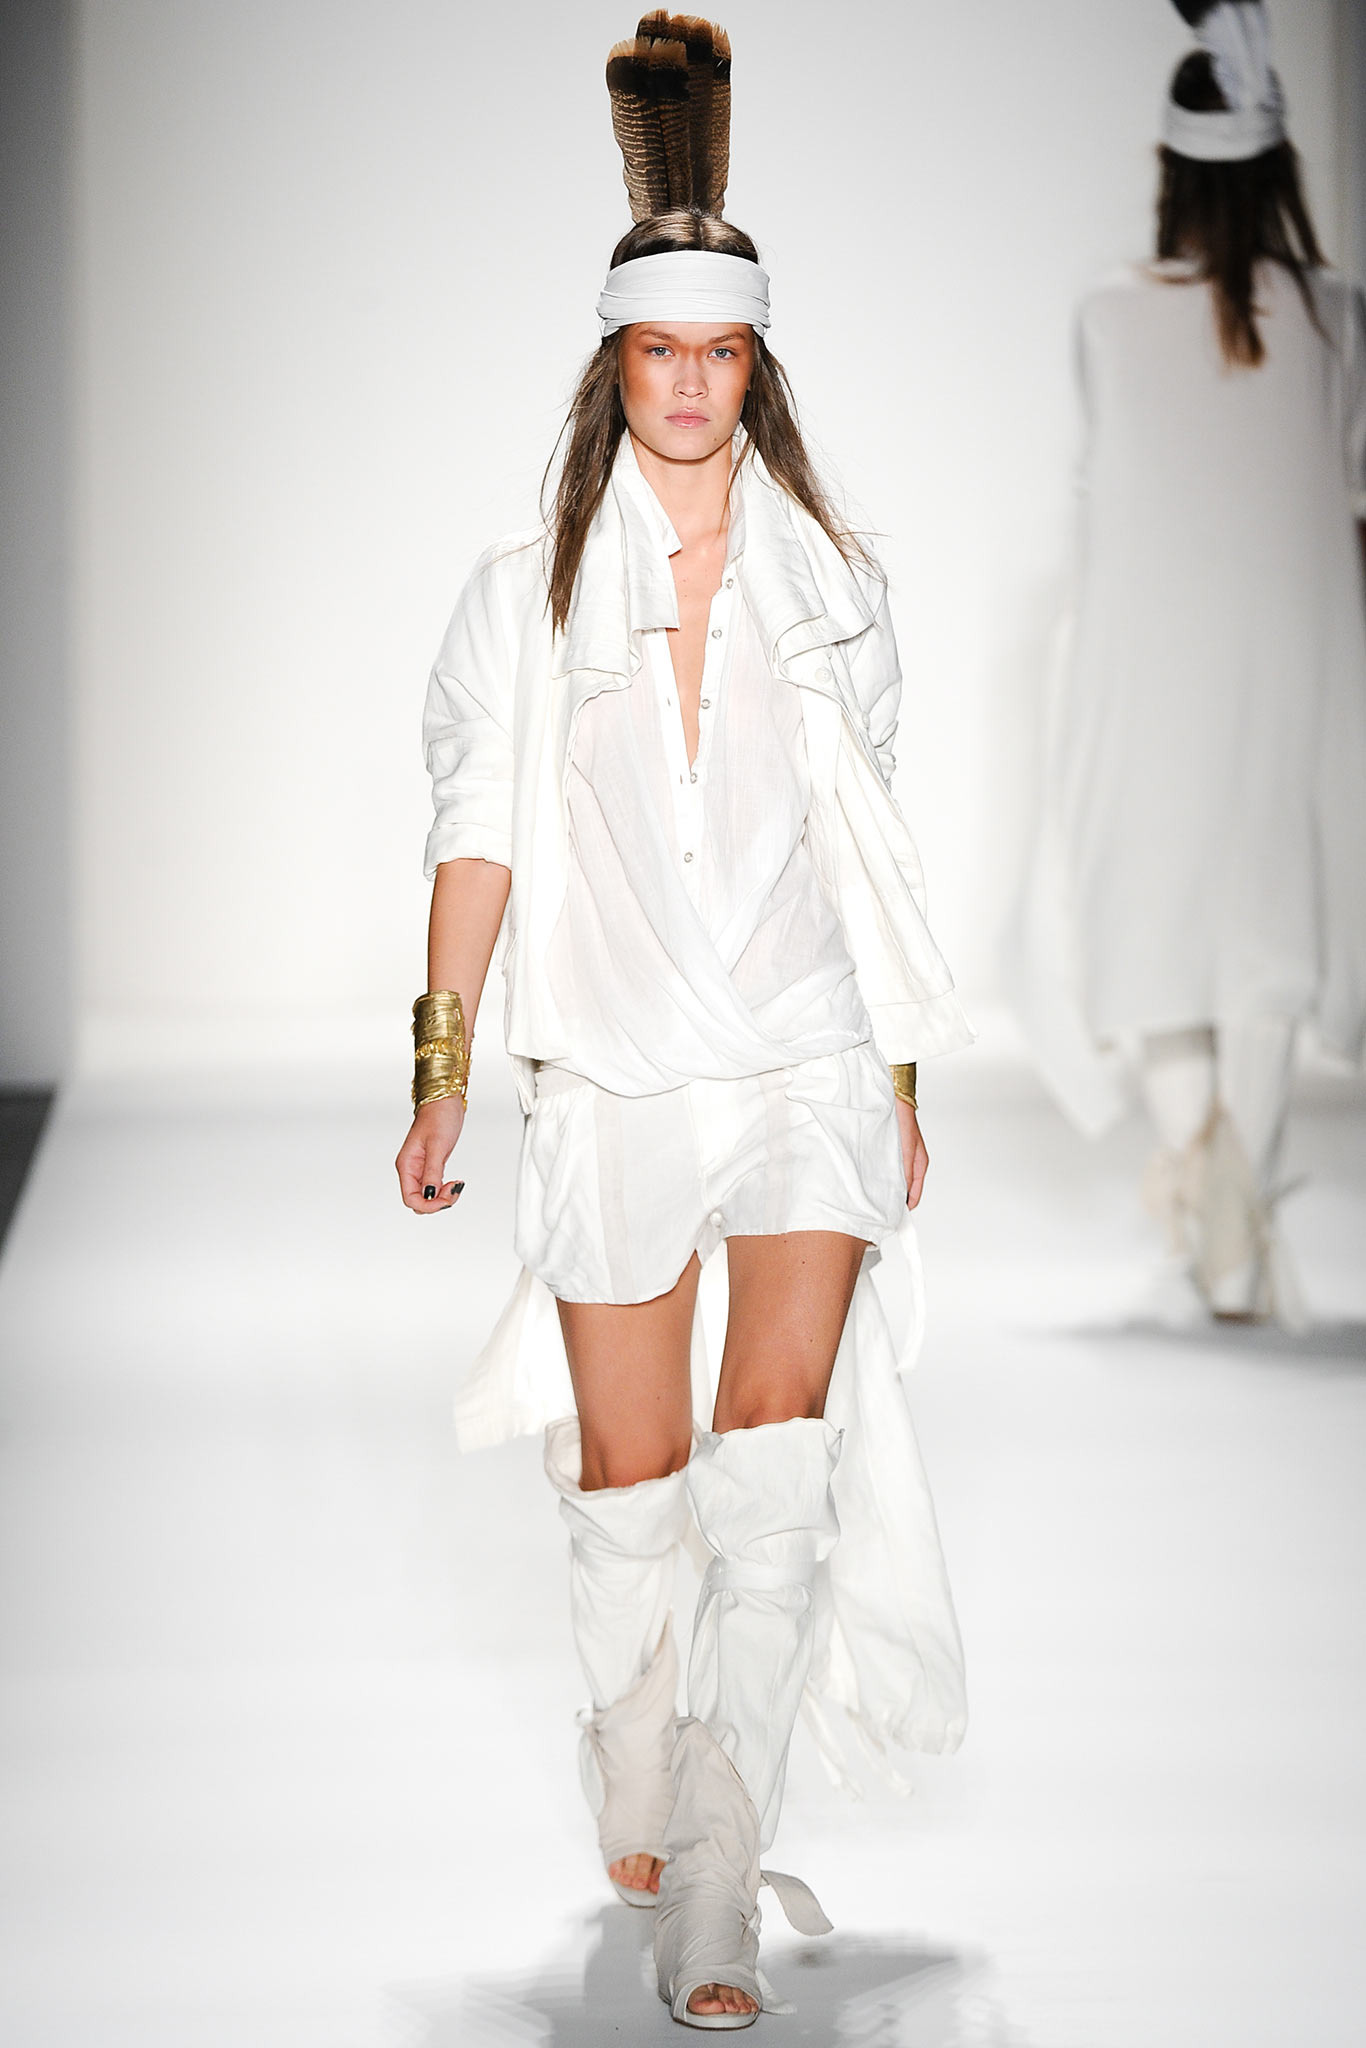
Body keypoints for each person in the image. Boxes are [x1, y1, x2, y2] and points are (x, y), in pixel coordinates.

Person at [395, 14, 972, 2029]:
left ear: (756, 366)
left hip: (801, 1051)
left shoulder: (842, 588)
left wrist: (894, 1077)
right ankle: (633, 1748)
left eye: (721, 354)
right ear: (614, 365)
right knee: (631, 1491)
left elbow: (872, 854)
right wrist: (441, 1073)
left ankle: (719, 1880)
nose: (691, 383)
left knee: (774, 1483)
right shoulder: (519, 596)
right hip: (617, 1065)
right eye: (660, 351)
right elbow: (473, 833)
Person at [1008, 0, 1366, 1325]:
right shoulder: (1336, 316)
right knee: (1267, 929)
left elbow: (1098, 489)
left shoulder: (1110, 313)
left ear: (1169, 167)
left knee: (1148, 916)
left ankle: (1212, 1219)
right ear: (1278, 166)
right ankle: (1234, 1220)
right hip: (1291, 653)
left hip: (1144, 652)